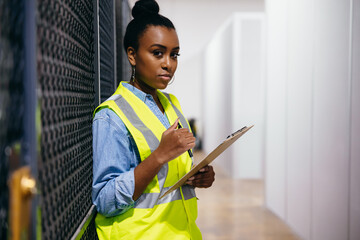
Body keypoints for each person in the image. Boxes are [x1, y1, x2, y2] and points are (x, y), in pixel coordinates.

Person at [92, 0, 215, 239]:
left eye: (174, 55)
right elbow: (105, 200)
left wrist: (196, 176)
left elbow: (166, 180)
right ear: (132, 55)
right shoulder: (111, 115)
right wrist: (159, 156)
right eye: (157, 53)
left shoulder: (172, 105)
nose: (168, 64)